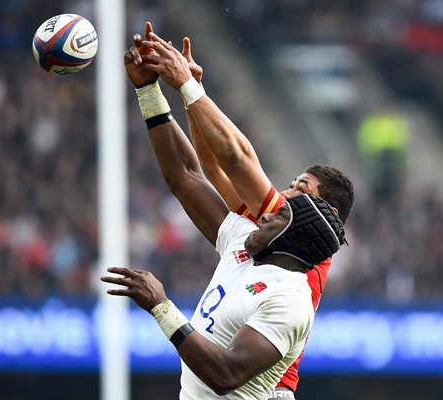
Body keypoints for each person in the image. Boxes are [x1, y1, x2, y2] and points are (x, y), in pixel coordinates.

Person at [102, 26, 348, 400]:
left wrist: (189, 86)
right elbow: (197, 175)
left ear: (319, 211)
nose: (276, 202)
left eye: (299, 192)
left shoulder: (294, 279)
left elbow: (236, 159)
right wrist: (150, 91)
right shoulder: (251, 240)